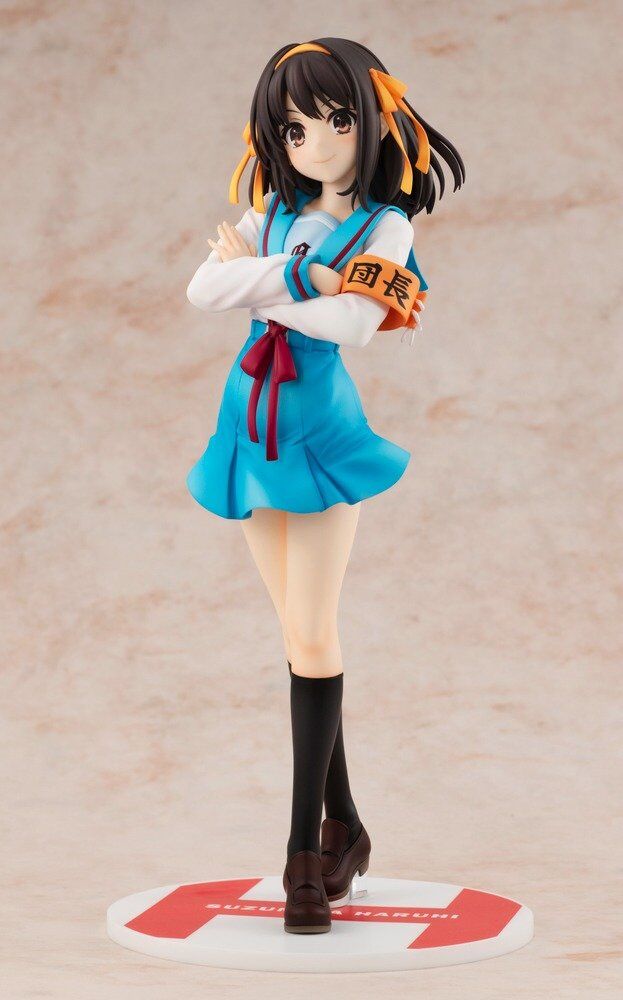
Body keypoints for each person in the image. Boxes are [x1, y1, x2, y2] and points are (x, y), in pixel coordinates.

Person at [185, 37, 465, 934]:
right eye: (295, 127)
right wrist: (299, 275)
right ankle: (346, 826)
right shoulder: (274, 212)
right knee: (296, 634)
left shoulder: (386, 227)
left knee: (311, 634)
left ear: (372, 120)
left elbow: (350, 324)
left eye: (337, 120)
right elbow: (200, 289)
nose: (315, 143)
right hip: (246, 428)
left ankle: (304, 854)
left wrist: (255, 284)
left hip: (318, 435)